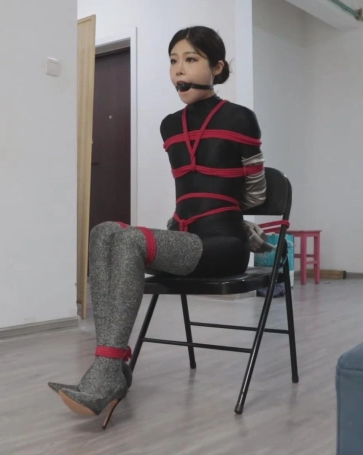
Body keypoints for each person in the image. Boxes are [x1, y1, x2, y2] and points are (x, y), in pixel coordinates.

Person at [48, 25, 272, 426]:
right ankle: (110, 368)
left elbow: (256, 195)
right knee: (103, 232)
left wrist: (239, 222)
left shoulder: (241, 118)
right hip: (187, 239)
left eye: (191, 59)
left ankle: (107, 372)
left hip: (224, 245)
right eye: (173, 61)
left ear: (217, 67)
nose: (178, 70)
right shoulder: (169, 126)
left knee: (130, 239)